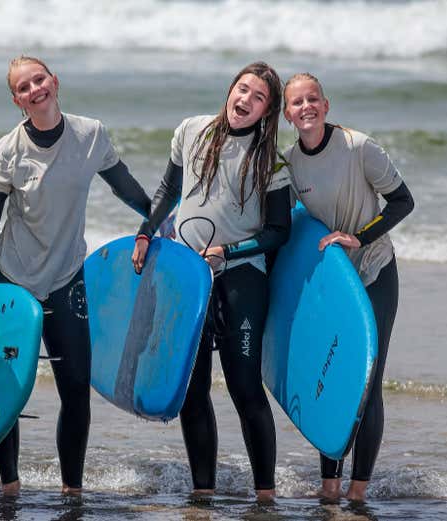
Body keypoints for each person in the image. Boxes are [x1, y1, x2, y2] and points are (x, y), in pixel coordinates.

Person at [0, 55, 152, 496]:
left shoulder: (90, 134)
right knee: (5, 391)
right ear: (17, 100)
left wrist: (157, 220)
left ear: (55, 80)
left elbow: (123, 185)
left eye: (39, 79)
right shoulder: (6, 153)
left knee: (75, 388)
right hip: (12, 279)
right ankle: (10, 487)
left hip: (66, 278)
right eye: (23, 87)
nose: (35, 89)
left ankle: (73, 491)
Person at [131, 62, 291, 501]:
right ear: (230, 89)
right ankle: (203, 495)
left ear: (267, 111)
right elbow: (168, 191)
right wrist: (146, 231)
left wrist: (228, 252)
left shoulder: (271, 160)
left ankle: (265, 495)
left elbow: (279, 230)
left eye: (258, 98)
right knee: (193, 388)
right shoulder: (191, 131)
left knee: (244, 386)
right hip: (189, 275)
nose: (246, 100)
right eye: (243, 89)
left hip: (241, 275)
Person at [282, 73, 414, 502]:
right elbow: (292, 225)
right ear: (287, 114)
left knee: (368, 383)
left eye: (313, 99)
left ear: (326, 105)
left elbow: (403, 201)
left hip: (374, 273)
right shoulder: (290, 163)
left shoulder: (359, 147)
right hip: (333, 285)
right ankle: (329, 488)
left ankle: (358, 491)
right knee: (333, 380)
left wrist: (360, 237)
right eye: (297, 102)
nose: (306, 107)